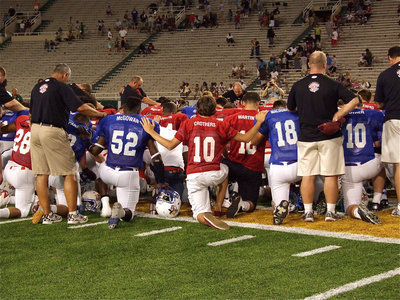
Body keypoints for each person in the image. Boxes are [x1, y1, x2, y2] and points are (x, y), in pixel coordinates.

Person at [140, 95, 268, 230]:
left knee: (198, 213)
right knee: (225, 167)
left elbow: (170, 145)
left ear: (197, 109)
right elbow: (246, 138)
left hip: (194, 175)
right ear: (214, 110)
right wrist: (258, 122)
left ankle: (205, 214)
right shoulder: (221, 124)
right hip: (215, 173)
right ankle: (219, 205)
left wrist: (151, 132)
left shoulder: (189, 123)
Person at [287, 51, 359, 222]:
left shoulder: (298, 85)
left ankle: (308, 212)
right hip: (329, 136)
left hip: (306, 135)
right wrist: (339, 113)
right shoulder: (332, 84)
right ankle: (330, 212)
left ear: (308, 64)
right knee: (331, 175)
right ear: (325, 64)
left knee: (307, 175)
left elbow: (290, 108)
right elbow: (355, 100)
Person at [29, 63, 106, 225]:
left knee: (41, 173)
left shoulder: (37, 87)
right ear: (64, 75)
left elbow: (30, 113)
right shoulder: (61, 86)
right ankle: (72, 214)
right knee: (70, 172)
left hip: (35, 129)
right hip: (52, 129)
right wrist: (100, 113)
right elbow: (80, 107)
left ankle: (48, 215)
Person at [83, 97, 167, 229]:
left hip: (107, 171)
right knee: (129, 213)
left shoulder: (109, 120)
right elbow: (156, 157)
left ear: (123, 107)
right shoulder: (147, 123)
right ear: (139, 109)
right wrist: (161, 181)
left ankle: (105, 203)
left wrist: (86, 139)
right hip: (127, 175)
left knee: (100, 162)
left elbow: (95, 150)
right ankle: (121, 212)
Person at [216, 92, 268, 218]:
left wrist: (225, 156)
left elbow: (220, 141)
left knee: (223, 170)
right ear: (258, 103)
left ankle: (220, 204)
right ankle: (242, 204)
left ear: (242, 103)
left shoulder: (231, 118)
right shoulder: (263, 120)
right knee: (251, 204)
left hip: (233, 162)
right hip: (253, 166)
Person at [252, 100, 300, 225]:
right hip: (299, 164)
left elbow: (254, 141)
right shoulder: (298, 113)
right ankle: (309, 206)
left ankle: (283, 206)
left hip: (278, 165)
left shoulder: (268, 116)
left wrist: (259, 123)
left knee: (278, 206)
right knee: (315, 179)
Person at [341, 102, 383, 224]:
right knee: (386, 158)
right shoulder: (373, 113)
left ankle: (357, 212)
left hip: (348, 169)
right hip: (371, 164)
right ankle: (378, 199)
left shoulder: (337, 115)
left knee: (350, 206)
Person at [374, 46, 400, 218]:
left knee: (399, 164)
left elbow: (379, 104)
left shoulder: (385, 75)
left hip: (395, 118)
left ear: (390, 58)